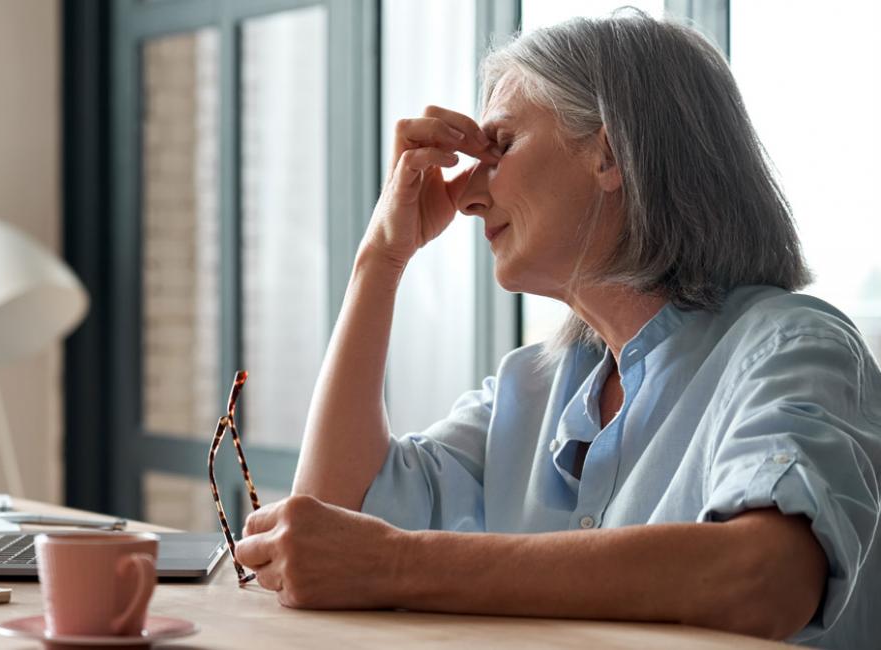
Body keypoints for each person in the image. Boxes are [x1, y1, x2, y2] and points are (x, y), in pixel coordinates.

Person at [232, 10, 881, 647]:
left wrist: (399, 564)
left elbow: (767, 578)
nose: (466, 197)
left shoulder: (793, 349)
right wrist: (381, 256)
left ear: (610, 154)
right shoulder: (532, 387)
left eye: (500, 146)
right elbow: (330, 532)